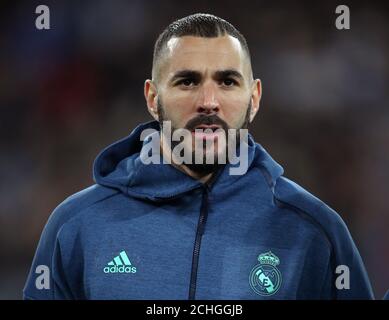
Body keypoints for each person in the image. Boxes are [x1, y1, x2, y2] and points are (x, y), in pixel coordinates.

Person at [24, 13, 374, 300]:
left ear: (254, 98)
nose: (208, 101)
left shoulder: (313, 230)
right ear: (152, 97)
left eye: (227, 82)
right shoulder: (77, 226)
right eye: (187, 81)